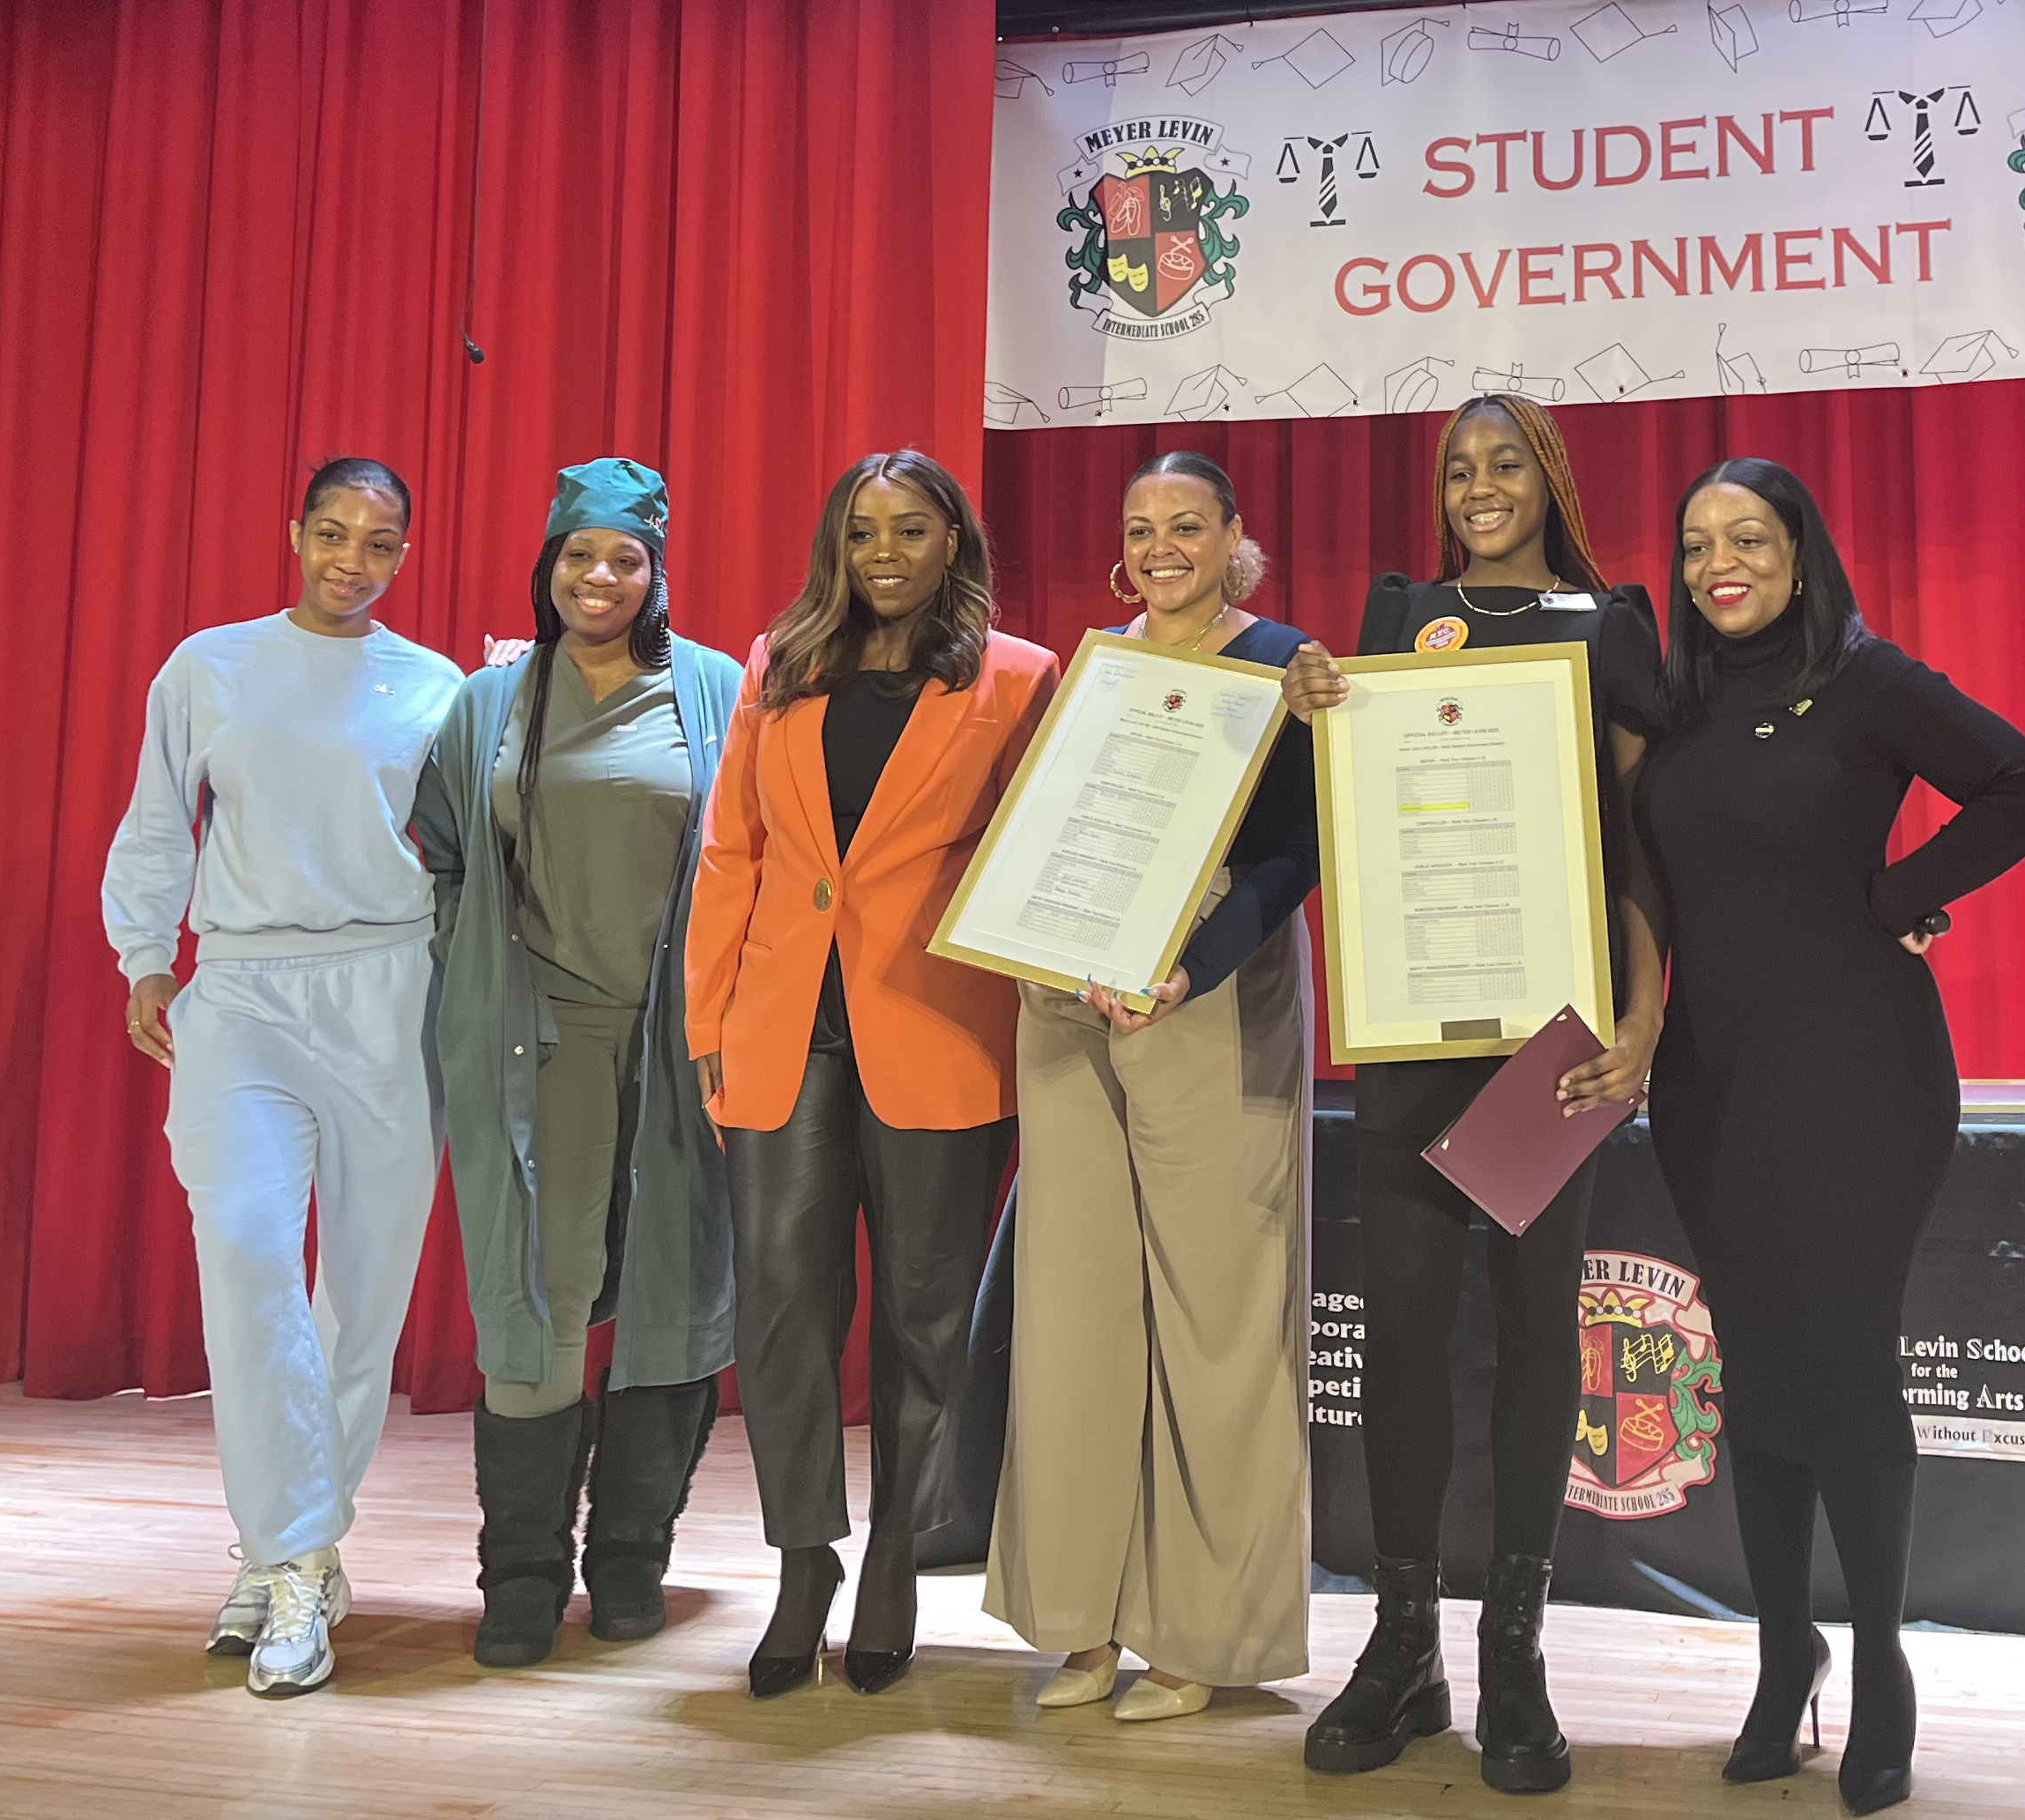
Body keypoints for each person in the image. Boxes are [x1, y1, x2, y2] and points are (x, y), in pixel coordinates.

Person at [1619, 457, 2025, 1814]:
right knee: (1753, 1366)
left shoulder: (1870, 683)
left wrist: (1894, 897)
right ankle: (1779, 1649)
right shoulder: (1672, 705)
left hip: (1863, 1076)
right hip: (1709, 1080)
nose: (1716, 565)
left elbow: (2020, 785)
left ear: (1801, 554)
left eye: (1745, 538)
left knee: (1848, 1364)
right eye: (1695, 545)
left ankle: (1878, 1663)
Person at [1278, 396, 1664, 1794]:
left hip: (1546, 1042)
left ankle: (1513, 1649)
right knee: (1398, 1336)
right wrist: (1316, 702)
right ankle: (1401, 1648)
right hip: (1412, 1025)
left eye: (1504, 465)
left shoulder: (1608, 623)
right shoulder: (1397, 614)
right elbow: (1362, 805)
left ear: (1547, 477)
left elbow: (1639, 846)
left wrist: (1642, 1013)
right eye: (1459, 469)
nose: (1479, 487)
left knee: (1528, 1327)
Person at [685, 449, 1058, 1698]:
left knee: (922, 1314)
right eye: (861, 533)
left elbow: (1048, 851)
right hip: (783, 1031)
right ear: (834, 550)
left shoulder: (1019, 678)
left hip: (942, 1035)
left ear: (953, 540)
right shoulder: (776, 665)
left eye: (909, 528)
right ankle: (805, 1557)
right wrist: (706, 1022)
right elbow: (731, 849)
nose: (884, 552)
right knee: (781, 1306)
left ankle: (897, 1547)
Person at [102, 457, 463, 1697]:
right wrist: (147, 956)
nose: (350, 560)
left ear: (404, 556)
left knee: (361, 1293)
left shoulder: (433, 685)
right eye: (331, 532)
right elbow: (158, 818)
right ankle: (301, 1560)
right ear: (293, 530)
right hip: (244, 988)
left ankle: (281, 1555)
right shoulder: (209, 664)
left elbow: (467, 855)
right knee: (251, 1253)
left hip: (391, 988)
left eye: (378, 543)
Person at [984, 452, 1318, 1725]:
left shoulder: (1282, 659)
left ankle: (1196, 1637)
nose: (1164, 544)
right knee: (1075, 1314)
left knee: (1215, 1321)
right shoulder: (1098, 665)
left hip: (1210, 997)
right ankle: (1079, 1622)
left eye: (1188, 524)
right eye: (1142, 527)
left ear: (1233, 534)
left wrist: (1188, 968)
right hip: (1070, 999)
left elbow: (1294, 853)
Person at [413, 458, 744, 1668]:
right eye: (576, 556)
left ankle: (628, 1562)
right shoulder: (487, 703)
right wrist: (468, 991)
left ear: (655, 572)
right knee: (535, 1304)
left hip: (677, 1047)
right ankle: (521, 1574)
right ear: (546, 566)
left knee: (669, 1293)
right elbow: (444, 854)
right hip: (531, 1042)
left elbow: (746, 860)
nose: (598, 577)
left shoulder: (711, 690)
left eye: (624, 558)